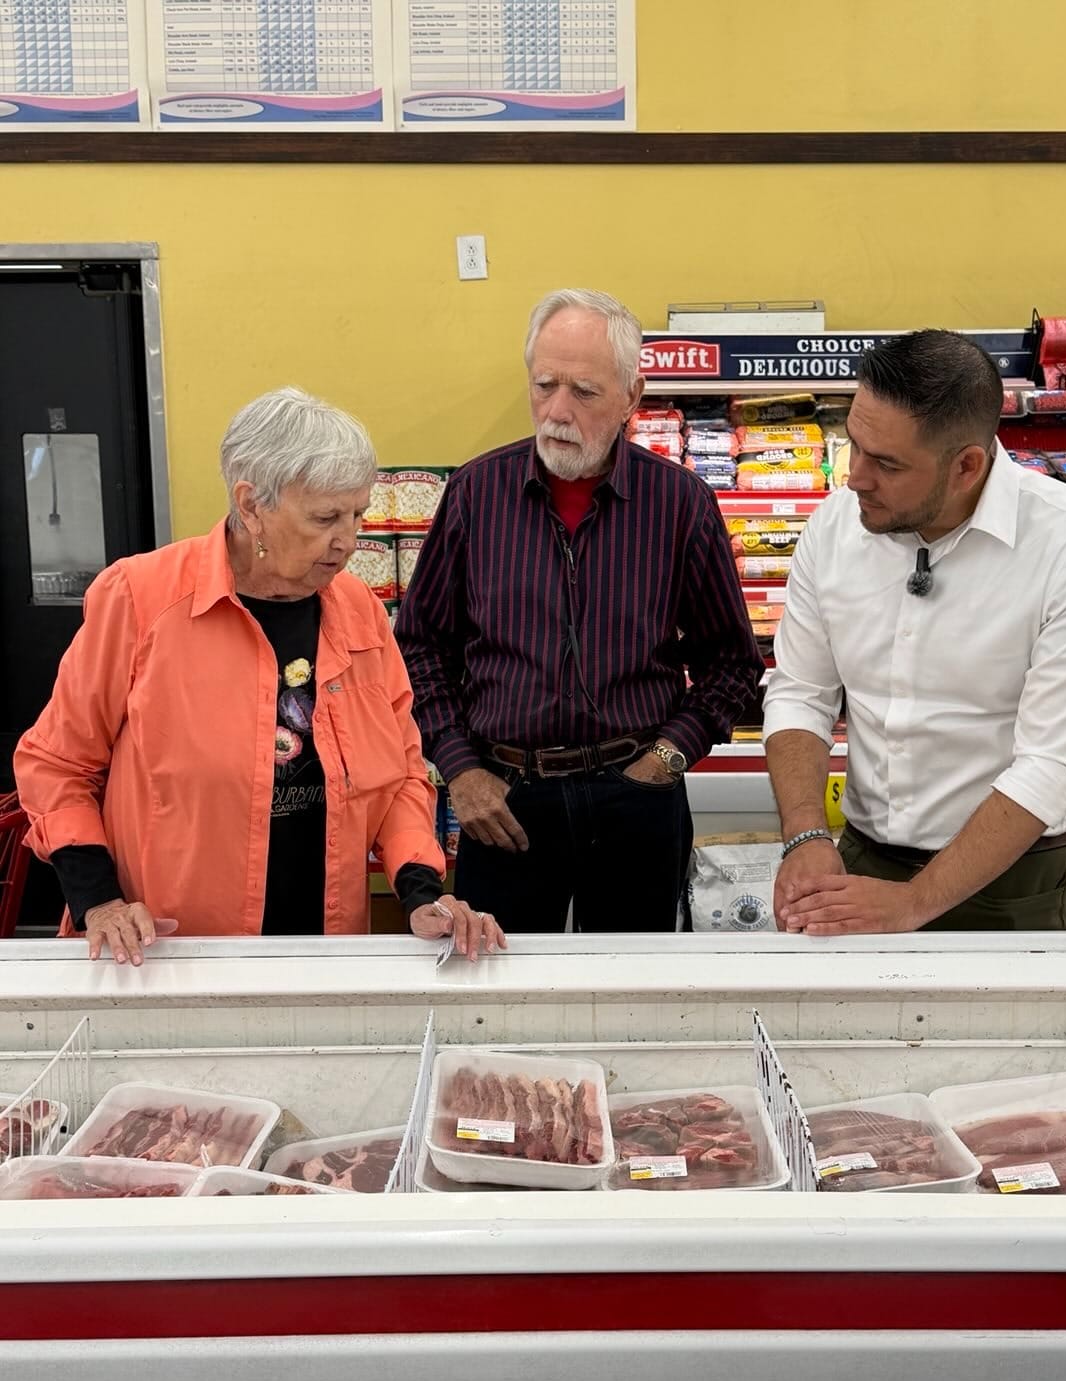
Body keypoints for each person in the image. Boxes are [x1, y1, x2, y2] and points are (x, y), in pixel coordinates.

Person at [15, 387, 504, 965]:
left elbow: (397, 774)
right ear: (251, 506)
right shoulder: (140, 599)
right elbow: (58, 765)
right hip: (162, 952)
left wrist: (423, 892)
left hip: (322, 946)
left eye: (357, 515)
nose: (349, 541)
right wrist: (100, 901)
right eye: (325, 518)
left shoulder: (359, 610)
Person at [397, 288, 761, 933]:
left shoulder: (680, 504)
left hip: (639, 797)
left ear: (632, 395)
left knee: (633, 998)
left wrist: (669, 757)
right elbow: (422, 646)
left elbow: (730, 663)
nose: (558, 412)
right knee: (497, 995)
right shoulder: (476, 494)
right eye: (544, 386)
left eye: (585, 392)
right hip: (502, 801)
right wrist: (460, 770)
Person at [764, 328, 1066, 936]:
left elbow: (1052, 764)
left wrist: (914, 902)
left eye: (885, 463)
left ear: (966, 466)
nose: (855, 477)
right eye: (855, 445)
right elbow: (800, 691)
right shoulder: (833, 529)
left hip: (1012, 881)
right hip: (862, 855)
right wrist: (805, 835)